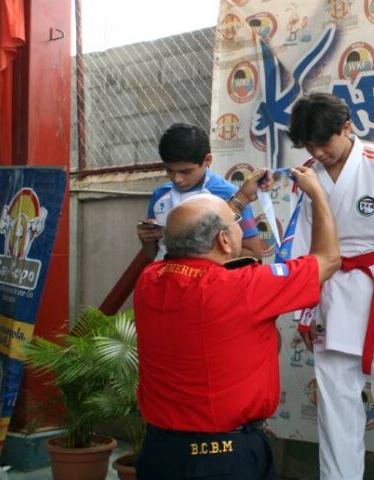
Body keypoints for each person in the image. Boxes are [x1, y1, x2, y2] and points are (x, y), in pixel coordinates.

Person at [134, 167, 341, 480]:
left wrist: (241, 201)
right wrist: (319, 196)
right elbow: (328, 259)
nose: (240, 228)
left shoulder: (149, 281)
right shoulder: (241, 287)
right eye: (236, 225)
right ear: (223, 239)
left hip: (159, 451)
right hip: (222, 459)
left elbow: (198, 233)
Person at [287, 92, 374, 480]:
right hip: (331, 299)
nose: (317, 151)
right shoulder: (307, 175)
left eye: (324, 142)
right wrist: (304, 312)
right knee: (335, 417)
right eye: (309, 145)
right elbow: (301, 247)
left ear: (347, 128)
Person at [136, 122, 267, 260]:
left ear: (207, 160)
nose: (177, 179)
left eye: (186, 171)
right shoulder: (160, 195)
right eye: (169, 170)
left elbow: (253, 254)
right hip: (170, 279)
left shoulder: (231, 195)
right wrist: (147, 240)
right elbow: (155, 255)